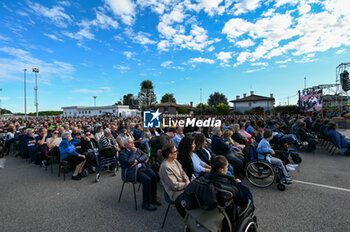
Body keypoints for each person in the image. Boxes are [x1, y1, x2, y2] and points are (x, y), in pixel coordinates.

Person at [118, 138, 160, 211]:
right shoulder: (122, 154)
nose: (133, 144)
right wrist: (133, 153)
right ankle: (145, 203)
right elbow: (129, 162)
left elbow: (145, 155)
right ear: (125, 145)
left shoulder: (136, 149)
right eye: (130, 143)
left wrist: (137, 161)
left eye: (132, 142)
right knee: (147, 180)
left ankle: (153, 198)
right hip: (131, 172)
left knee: (154, 175)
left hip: (141, 168)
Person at [159, 142, 190, 218]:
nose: (177, 152)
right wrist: (186, 184)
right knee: (192, 200)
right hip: (175, 192)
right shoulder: (165, 167)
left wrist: (187, 180)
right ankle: (189, 221)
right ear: (170, 154)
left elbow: (183, 172)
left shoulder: (174, 160)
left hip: (183, 186)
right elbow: (174, 185)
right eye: (175, 151)